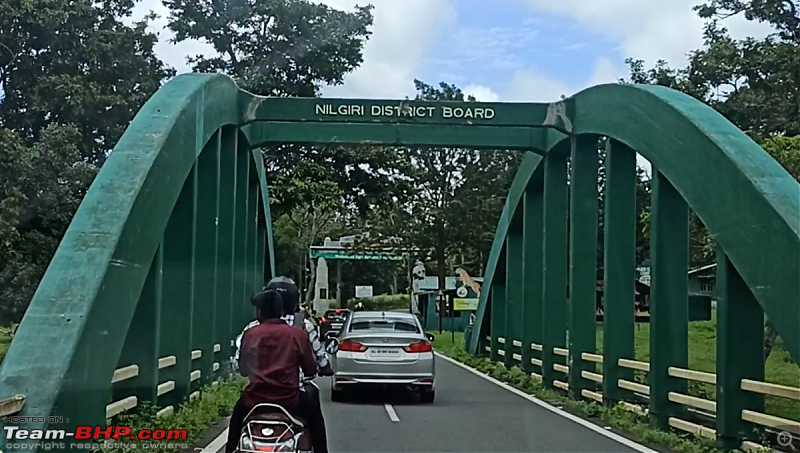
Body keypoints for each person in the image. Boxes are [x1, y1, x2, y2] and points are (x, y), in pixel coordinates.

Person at [226, 290, 328, 453]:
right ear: (280, 311)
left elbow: (244, 370)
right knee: (315, 419)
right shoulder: (297, 334)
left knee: (236, 420)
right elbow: (310, 368)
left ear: (259, 312)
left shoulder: (250, 334)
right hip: (290, 399)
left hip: (255, 399)